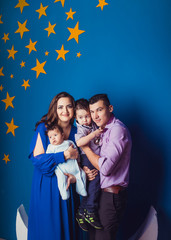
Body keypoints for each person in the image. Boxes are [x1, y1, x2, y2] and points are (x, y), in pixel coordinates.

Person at [28, 92, 83, 240]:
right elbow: (39, 161)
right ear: (54, 109)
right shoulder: (44, 128)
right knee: (49, 230)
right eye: (60, 107)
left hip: (68, 186)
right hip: (47, 187)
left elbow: (82, 163)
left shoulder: (78, 132)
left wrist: (75, 178)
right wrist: (64, 155)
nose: (65, 111)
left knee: (69, 229)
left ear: (74, 110)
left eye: (69, 106)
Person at [81, 94, 132, 240]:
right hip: (97, 195)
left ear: (110, 108)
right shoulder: (100, 130)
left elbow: (105, 168)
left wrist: (86, 149)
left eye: (99, 110)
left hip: (111, 196)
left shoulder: (117, 130)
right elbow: (94, 163)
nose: (95, 116)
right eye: (92, 111)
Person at [74, 98, 103, 231]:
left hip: (94, 157)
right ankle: (89, 210)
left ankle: (82, 211)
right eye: (81, 117)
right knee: (95, 181)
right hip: (86, 158)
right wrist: (95, 134)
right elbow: (80, 143)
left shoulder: (92, 125)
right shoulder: (81, 129)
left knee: (92, 185)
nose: (85, 119)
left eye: (87, 116)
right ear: (76, 118)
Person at [46, 123, 87, 200]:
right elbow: (48, 158)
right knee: (61, 180)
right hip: (61, 170)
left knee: (82, 174)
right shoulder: (51, 147)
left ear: (62, 135)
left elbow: (76, 152)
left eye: (55, 135)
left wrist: (78, 163)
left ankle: (81, 190)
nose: (53, 138)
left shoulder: (69, 142)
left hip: (73, 166)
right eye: (50, 137)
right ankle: (64, 194)